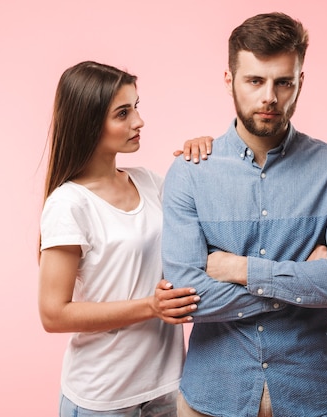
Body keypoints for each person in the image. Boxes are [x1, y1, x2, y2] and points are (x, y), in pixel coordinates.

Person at [161, 12, 327, 417]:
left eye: (283, 82)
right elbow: (187, 299)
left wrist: (242, 269)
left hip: (314, 396)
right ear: (229, 81)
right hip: (211, 399)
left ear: (300, 82)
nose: (269, 98)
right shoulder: (190, 173)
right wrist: (302, 282)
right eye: (255, 80)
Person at [37, 60, 215, 417]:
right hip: (101, 399)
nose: (139, 121)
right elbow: (53, 314)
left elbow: (211, 235)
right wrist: (151, 307)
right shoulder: (69, 204)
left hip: (167, 389)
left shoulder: (150, 182)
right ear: (89, 123)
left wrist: (207, 161)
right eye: (123, 113)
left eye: (136, 107)